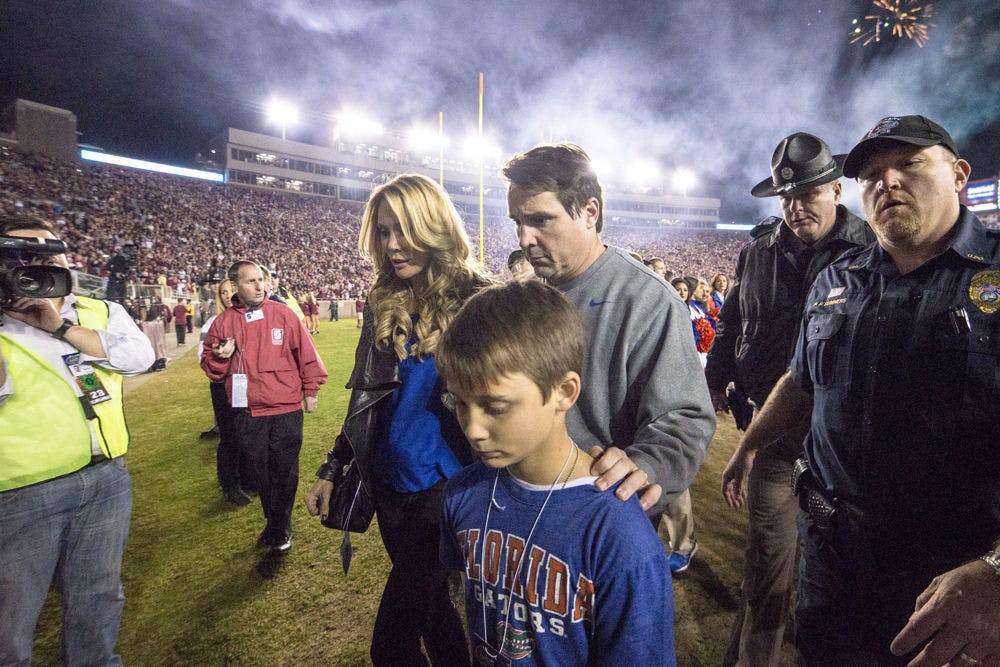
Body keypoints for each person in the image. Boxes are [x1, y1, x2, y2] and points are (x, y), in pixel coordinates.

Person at [732, 115, 1000, 664]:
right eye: (872, 173)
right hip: (834, 571)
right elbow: (801, 384)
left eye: (910, 163)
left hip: (954, 578)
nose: (888, 181)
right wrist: (750, 444)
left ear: (959, 174)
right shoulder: (838, 279)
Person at [305, 173, 493, 666]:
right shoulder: (382, 301)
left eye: (403, 230)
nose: (392, 245)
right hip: (388, 483)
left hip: (450, 486)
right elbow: (367, 398)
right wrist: (333, 467)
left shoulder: (481, 298)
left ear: (434, 227)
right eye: (383, 232)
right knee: (433, 614)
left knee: (390, 644)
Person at [437, 280, 675, 665]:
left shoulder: (618, 535)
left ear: (564, 391)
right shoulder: (463, 493)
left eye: (495, 407)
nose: (473, 429)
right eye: (460, 404)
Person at [709, 132, 873, 667]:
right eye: (787, 196)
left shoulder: (875, 249)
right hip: (774, 436)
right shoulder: (756, 252)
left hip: (848, 446)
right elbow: (733, 323)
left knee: (843, 577)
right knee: (765, 564)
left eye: (809, 193)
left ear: (835, 191)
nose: (797, 206)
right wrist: (720, 381)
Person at [502, 143, 714, 516]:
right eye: (517, 222)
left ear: (589, 212)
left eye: (540, 220)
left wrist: (648, 463)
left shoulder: (646, 299)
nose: (523, 239)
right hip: (520, 502)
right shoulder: (522, 297)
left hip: (600, 510)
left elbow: (685, 418)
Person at [0, 214, 155, 665]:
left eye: (51, 250)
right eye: (25, 255)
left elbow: (139, 357)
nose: (43, 261)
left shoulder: (98, 311)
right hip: (23, 492)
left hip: (106, 479)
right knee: (11, 620)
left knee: (100, 596)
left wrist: (60, 328)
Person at [201, 260, 327, 555]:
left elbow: (307, 354)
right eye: (251, 281)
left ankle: (279, 527)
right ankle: (276, 521)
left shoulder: (283, 313)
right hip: (248, 412)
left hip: (285, 409)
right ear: (234, 287)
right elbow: (211, 368)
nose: (260, 286)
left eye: (262, 280)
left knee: (284, 471)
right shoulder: (223, 323)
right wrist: (221, 357)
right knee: (261, 474)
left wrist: (311, 390)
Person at [198, 279, 251, 505]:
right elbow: (202, 357)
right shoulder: (213, 322)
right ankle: (230, 485)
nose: (229, 295)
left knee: (247, 432)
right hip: (222, 386)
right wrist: (219, 356)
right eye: (224, 292)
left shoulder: (246, 318)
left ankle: (248, 479)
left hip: (244, 384)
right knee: (229, 435)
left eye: (232, 290)